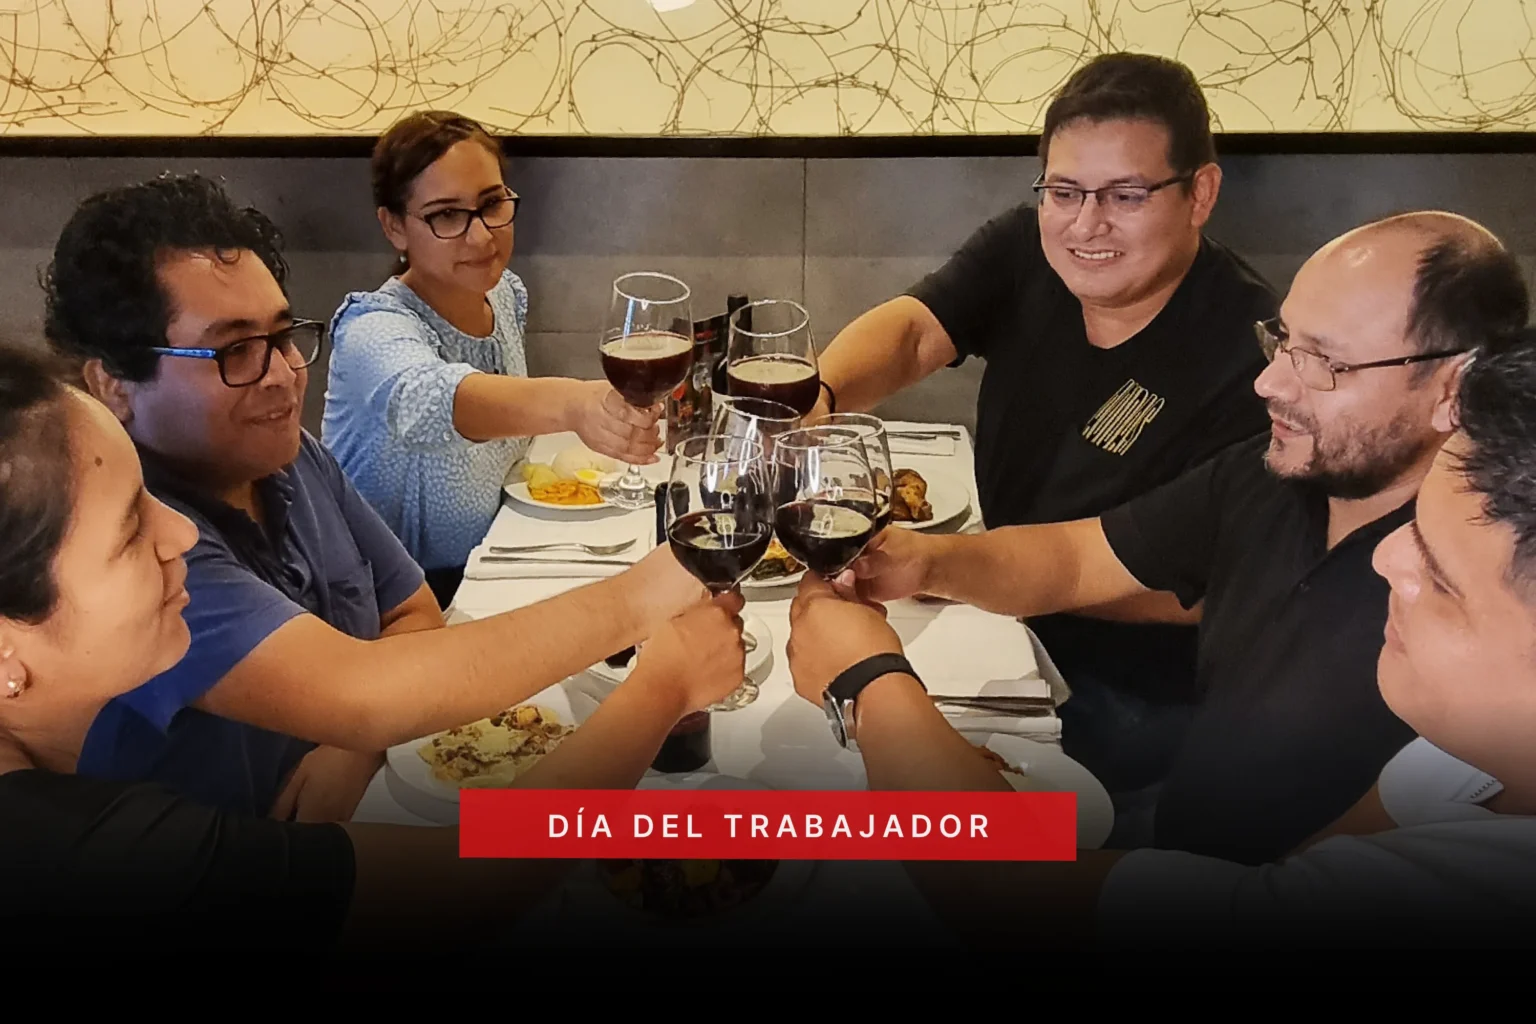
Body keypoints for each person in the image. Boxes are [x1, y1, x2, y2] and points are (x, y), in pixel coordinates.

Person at [784, 329, 1536, 949]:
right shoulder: (1464, 750)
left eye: (1439, 576)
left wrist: (865, 679)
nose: (1384, 558)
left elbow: (1011, 895)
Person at [0, 343, 748, 950]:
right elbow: (476, 882)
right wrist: (660, 691)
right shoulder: (85, 857)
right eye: (133, 529)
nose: (185, 535)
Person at [843, 210, 1529, 861]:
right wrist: (924, 561)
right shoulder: (1283, 470)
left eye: (1324, 362)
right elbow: (1079, 560)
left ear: (1453, 385)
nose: (1268, 381)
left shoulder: (1482, 613)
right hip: (1169, 837)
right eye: (1283, 340)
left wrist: (868, 677)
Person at [43, 172, 710, 820]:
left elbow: (413, 613)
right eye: (235, 351)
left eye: (282, 337)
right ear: (113, 386)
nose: (282, 375)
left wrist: (352, 740)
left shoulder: (287, 456)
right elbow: (371, 701)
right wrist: (646, 604)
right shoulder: (138, 552)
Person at [807, 52, 1279, 817]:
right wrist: (817, 395)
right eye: (1064, 191)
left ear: (1201, 192)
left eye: (1126, 194)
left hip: (1130, 694)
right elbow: (914, 334)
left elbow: (1210, 590)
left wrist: (979, 572)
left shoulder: (1255, 360)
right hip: (1000, 605)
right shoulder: (1029, 247)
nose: (1086, 225)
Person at [323, 111, 663, 609]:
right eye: (446, 215)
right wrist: (574, 403)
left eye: (491, 204)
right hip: (399, 606)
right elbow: (432, 397)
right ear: (393, 226)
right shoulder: (371, 329)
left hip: (496, 559)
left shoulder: (503, 295)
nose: (481, 236)